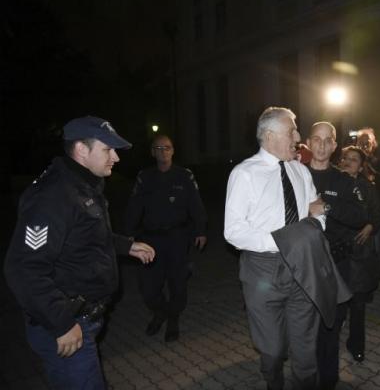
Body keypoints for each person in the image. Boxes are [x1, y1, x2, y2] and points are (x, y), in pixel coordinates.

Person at [4, 116, 155, 390]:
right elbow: (24, 268)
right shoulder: (53, 195)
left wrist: (126, 245)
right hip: (66, 324)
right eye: (108, 150)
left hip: (84, 318)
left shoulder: (83, 184)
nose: (116, 158)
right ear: (82, 150)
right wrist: (61, 323)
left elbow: (84, 236)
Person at [224, 107, 326, 390]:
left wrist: (315, 225)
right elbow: (233, 231)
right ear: (270, 135)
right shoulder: (244, 173)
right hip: (263, 271)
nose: (298, 137)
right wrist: (285, 239)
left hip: (302, 267)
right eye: (292, 131)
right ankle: (273, 382)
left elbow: (317, 210)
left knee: (305, 349)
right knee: (272, 350)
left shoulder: (300, 170)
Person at [124, 134, 207, 342]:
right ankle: (160, 311)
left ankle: (173, 318)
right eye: (158, 148)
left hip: (177, 237)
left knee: (177, 283)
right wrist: (129, 234)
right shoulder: (145, 177)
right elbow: (134, 206)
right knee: (148, 288)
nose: (163, 152)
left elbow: (195, 204)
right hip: (150, 239)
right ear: (152, 152)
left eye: (167, 147)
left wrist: (201, 230)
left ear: (173, 151)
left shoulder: (184, 175)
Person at [306, 122, 368, 389]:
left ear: (334, 146)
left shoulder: (343, 180)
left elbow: (360, 216)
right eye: (316, 139)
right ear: (308, 143)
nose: (321, 145)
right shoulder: (295, 175)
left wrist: (327, 207)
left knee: (330, 328)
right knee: (304, 328)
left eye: (327, 140)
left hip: (335, 264)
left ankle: (328, 381)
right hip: (304, 264)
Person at [339, 145, 380, 363]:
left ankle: (357, 345)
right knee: (336, 301)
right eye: (345, 158)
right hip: (336, 252)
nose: (348, 162)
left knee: (358, 302)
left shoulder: (367, 187)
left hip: (359, 253)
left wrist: (370, 226)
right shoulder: (332, 183)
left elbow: (377, 213)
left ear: (361, 166)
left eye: (354, 159)